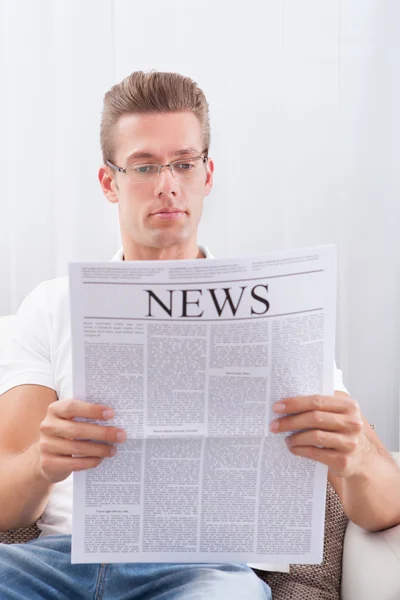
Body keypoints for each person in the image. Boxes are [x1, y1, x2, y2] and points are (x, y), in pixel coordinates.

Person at [0, 71, 399, 600]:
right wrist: (41, 463)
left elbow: (385, 505)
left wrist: (358, 457)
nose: (168, 184)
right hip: (58, 562)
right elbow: (7, 503)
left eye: (184, 163)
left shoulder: (277, 308)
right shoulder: (53, 305)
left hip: (205, 572)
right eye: (144, 166)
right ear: (108, 181)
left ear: (207, 174)